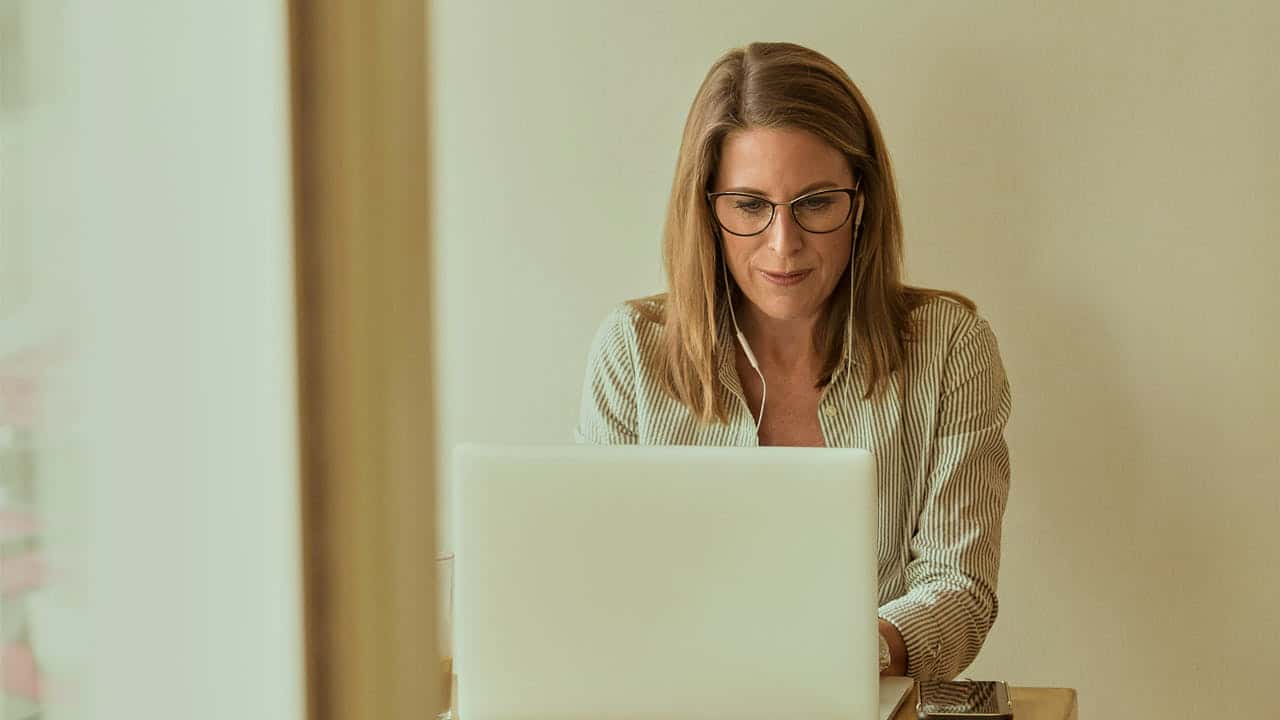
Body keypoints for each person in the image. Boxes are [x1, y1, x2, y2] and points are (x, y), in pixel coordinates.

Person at [575, 41, 1012, 682]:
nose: (784, 245)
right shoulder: (631, 352)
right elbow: (600, 583)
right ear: (708, 210)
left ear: (860, 203)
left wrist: (847, 655)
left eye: (815, 203)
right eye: (750, 205)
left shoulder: (948, 347)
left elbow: (960, 587)